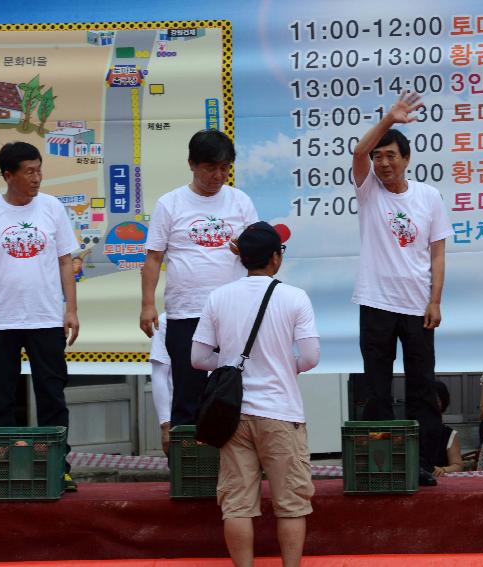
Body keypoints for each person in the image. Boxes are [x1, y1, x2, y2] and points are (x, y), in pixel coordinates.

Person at [191, 222, 320, 567]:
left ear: (243, 258)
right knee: (291, 504)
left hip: (233, 415)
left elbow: (198, 358)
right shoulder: (295, 298)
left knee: (237, 505)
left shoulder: (218, 297)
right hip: (281, 412)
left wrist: (232, 364)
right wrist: (281, 364)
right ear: (276, 258)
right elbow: (309, 357)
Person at [351, 91, 454, 487]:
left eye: (391, 155)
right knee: (376, 390)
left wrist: (435, 300)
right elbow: (358, 152)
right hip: (375, 303)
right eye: (379, 157)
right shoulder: (369, 190)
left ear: (406, 159)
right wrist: (388, 120)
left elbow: (438, 253)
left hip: (417, 307)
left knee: (422, 389)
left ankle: (423, 464)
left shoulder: (428, 197)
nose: (383, 162)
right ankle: (380, 463)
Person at [0, 141, 80, 491]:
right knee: (1, 397)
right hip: (0, 320)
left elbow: (64, 261)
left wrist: (70, 309)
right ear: (8, 175)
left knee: (52, 395)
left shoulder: (52, 208)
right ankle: (3, 468)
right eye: (29, 172)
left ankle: (57, 465)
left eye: (39, 170)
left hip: (45, 318)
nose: (37, 178)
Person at [141, 129, 258, 428]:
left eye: (224, 168)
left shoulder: (240, 201)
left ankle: (236, 466)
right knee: (187, 389)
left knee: (236, 388)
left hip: (233, 310)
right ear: (192, 164)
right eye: (210, 168)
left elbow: (260, 255)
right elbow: (153, 258)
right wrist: (147, 306)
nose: (218, 175)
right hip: (186, 311)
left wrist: (245, 250)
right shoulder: (171, 203)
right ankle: (188, 465)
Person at [148, 313, 173, 455]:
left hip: (220, 410)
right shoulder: (165, 320)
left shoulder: (221, 311)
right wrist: (165, 424)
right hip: (180, 416)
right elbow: (159, 374)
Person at [430, 381, 463, 477]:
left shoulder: (449, 434)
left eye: (435, 400)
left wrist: (443, 469)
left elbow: (458, 465)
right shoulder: (411, 430)